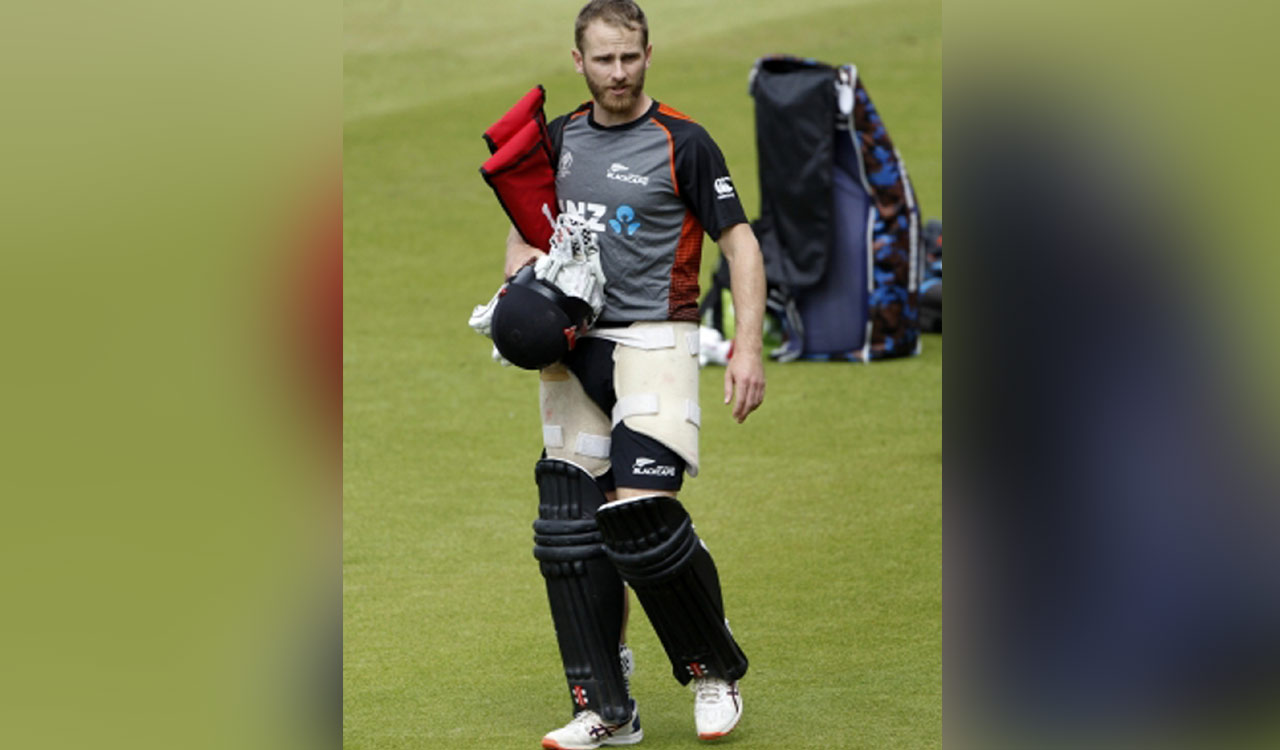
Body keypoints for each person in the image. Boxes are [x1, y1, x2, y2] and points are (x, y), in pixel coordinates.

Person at [505, 2, 766, 748]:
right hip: (574, 345)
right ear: (578, 62)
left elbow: (740, 245)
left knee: (642, 518)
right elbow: (524, 234)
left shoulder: (685, 142)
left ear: (648, 54)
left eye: (629, 57)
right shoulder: (559, 141)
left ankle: (712, 671)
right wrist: (519, 299)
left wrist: (747, 348)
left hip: (657, 338)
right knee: (571, 531)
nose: (618, 73)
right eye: (604, 59)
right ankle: (606, 706)